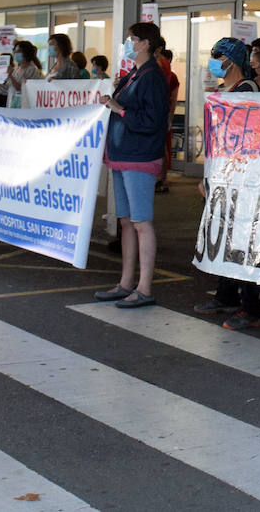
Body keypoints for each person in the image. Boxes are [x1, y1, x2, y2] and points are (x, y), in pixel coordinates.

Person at [92, 22, 169, 309]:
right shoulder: (135, 75)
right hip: (124, 155)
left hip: (139, 157)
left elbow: (153, 122)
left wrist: (119, 108)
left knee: (140, 223)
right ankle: (126, 282)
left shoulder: (152, 77)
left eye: (131, 39)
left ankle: (144, 286)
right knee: (127, 222)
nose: (127, 43)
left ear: (144, 43)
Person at [194, 37, 260, 329]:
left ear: (231, 60)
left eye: (217, 56)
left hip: (242, 178)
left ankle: (252, 307)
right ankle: (227, 295)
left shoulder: (247, 91)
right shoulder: (228, 91)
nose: (213, 61)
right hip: (225, 176)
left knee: (241, 241)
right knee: (226, 238)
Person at [155, 47, 180, 192]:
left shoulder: (163, 71)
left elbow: (173, 99)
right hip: (162, 114)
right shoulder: (170, 75)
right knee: (162, 147)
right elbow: (174, 99)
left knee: (161, 147)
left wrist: (169, 117)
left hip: (160, 114)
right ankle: (161, 179)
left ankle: (161, 179)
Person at [1, 40, 43, 107]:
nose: (16, 54)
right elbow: (8, 88)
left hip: (24, 106)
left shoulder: (32, 70)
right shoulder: (16, 69)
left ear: (26, 52)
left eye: (19, 51)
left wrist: (10, 76)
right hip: (12, 104)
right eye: (15, 51)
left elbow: (21, 88)